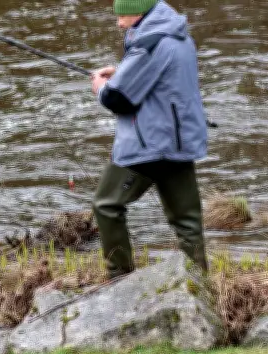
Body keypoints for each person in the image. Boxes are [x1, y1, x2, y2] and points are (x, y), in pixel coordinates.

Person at [89, 0, 209, 279]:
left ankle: (119, 278)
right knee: (187, 221)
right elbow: (163, 80)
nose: (119, 23)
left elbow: (118, 99)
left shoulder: (150, 43)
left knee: (106, 205)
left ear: (140, 10)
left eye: (123, 15)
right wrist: (122, 74)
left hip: (150, 144)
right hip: (180, 140)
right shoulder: (178, 35)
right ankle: (201, 282)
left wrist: (101, 87)